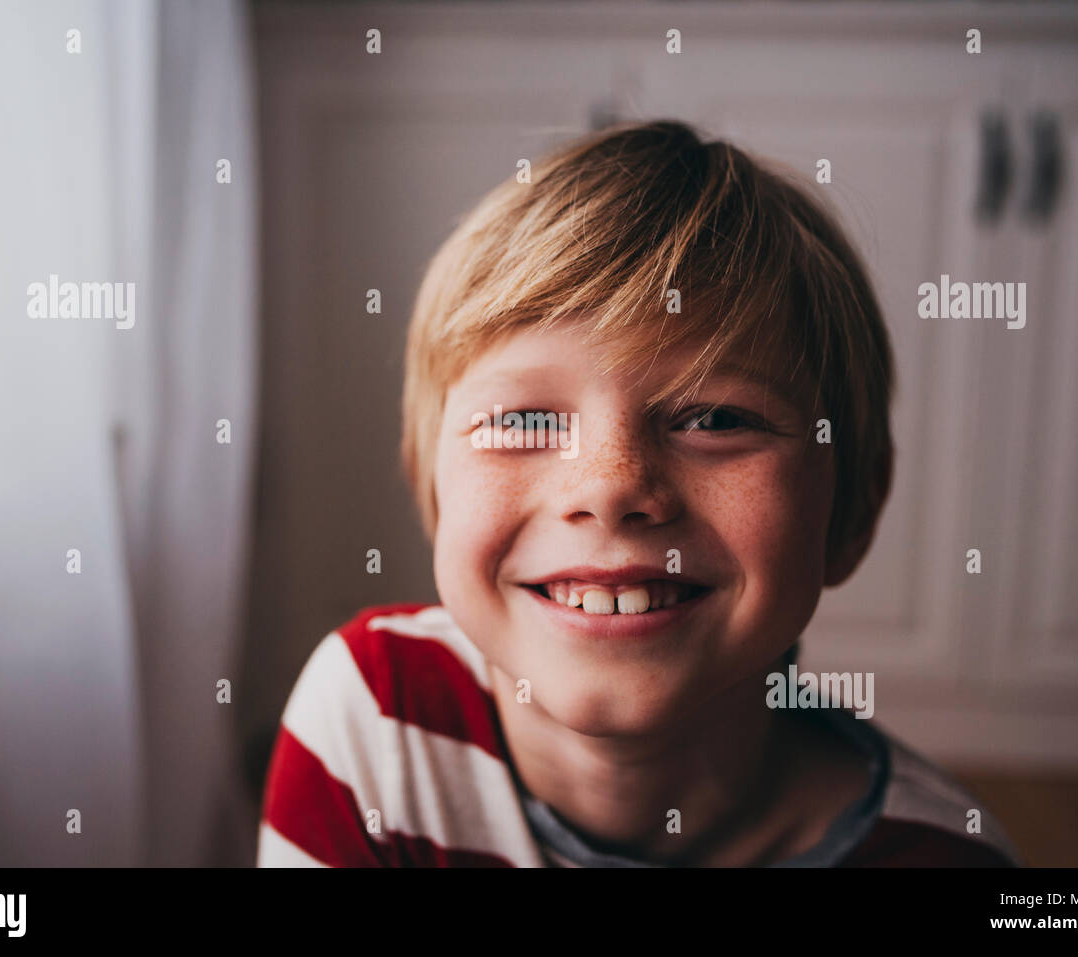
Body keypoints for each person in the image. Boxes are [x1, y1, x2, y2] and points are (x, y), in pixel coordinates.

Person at [257, 120, 1019, 867]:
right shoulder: (375, 717)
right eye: (523, 419)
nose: (611, 485)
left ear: (852, 511)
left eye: (717, 418)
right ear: (432, 489)